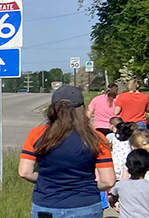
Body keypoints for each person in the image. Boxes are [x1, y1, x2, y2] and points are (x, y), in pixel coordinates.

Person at [18, 86, 115, 217]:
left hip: (47, 205)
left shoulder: (38, 134)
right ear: (81, 109)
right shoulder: (96, 138)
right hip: (86, 205)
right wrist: (87, 185)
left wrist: (47, 180)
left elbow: (24, 172)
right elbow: (108, 181)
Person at [108, 149, 149, 218]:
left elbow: (113, 198)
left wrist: (113, 201)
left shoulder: (119, 185)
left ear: (127, 166)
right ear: (148, 168)